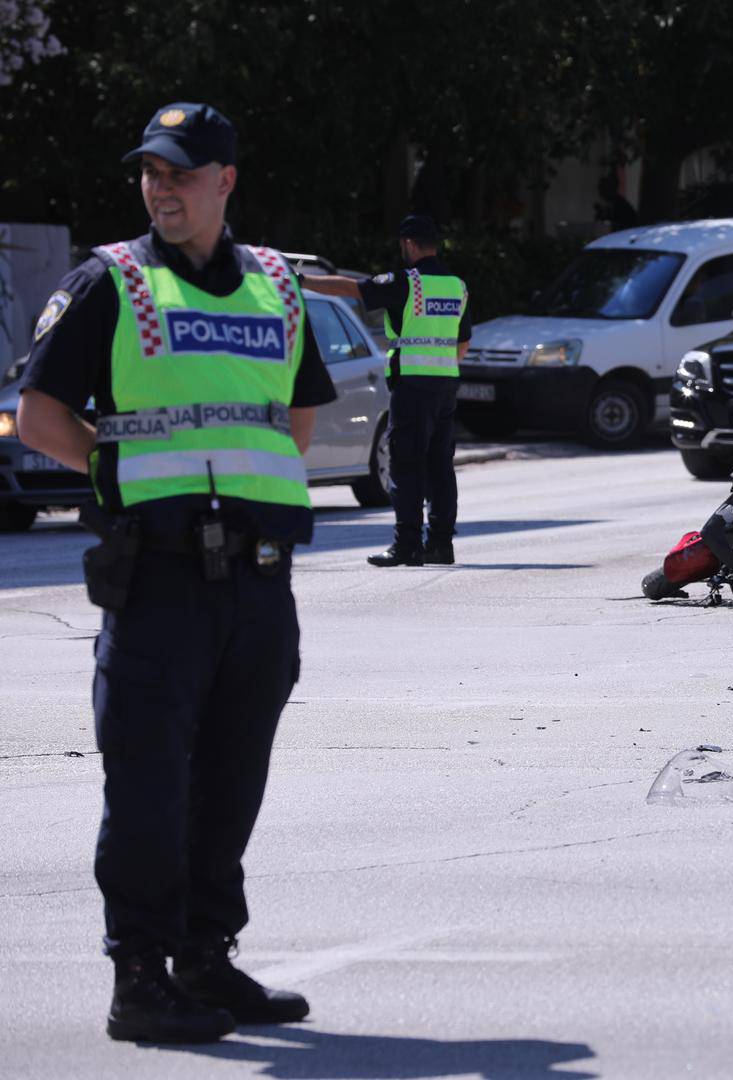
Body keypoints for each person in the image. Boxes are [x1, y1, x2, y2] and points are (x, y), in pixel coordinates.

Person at [17, 103, 335, 1043]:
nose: (163, 188)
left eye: (182, 172)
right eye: (152, 172)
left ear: (225, 181)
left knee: (232, 781)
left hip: (258, 583)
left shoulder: (277, 286)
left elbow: (300, 420)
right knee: (149, 785)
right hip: (156, 580)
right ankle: (141, 980)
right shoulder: (112, 282)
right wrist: (122, 478)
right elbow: (39, 415)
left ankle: (206, 956)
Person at [302, 216, 470, 566]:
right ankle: (440, 544)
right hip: (446, 386)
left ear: (408, 244)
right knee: (440, 466)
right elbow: (463, 342)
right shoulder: (457, 286)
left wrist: (301, 280)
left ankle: (406, 544)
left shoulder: (408, 282)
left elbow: (353, 289)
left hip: (413, 384)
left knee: (406, 463)